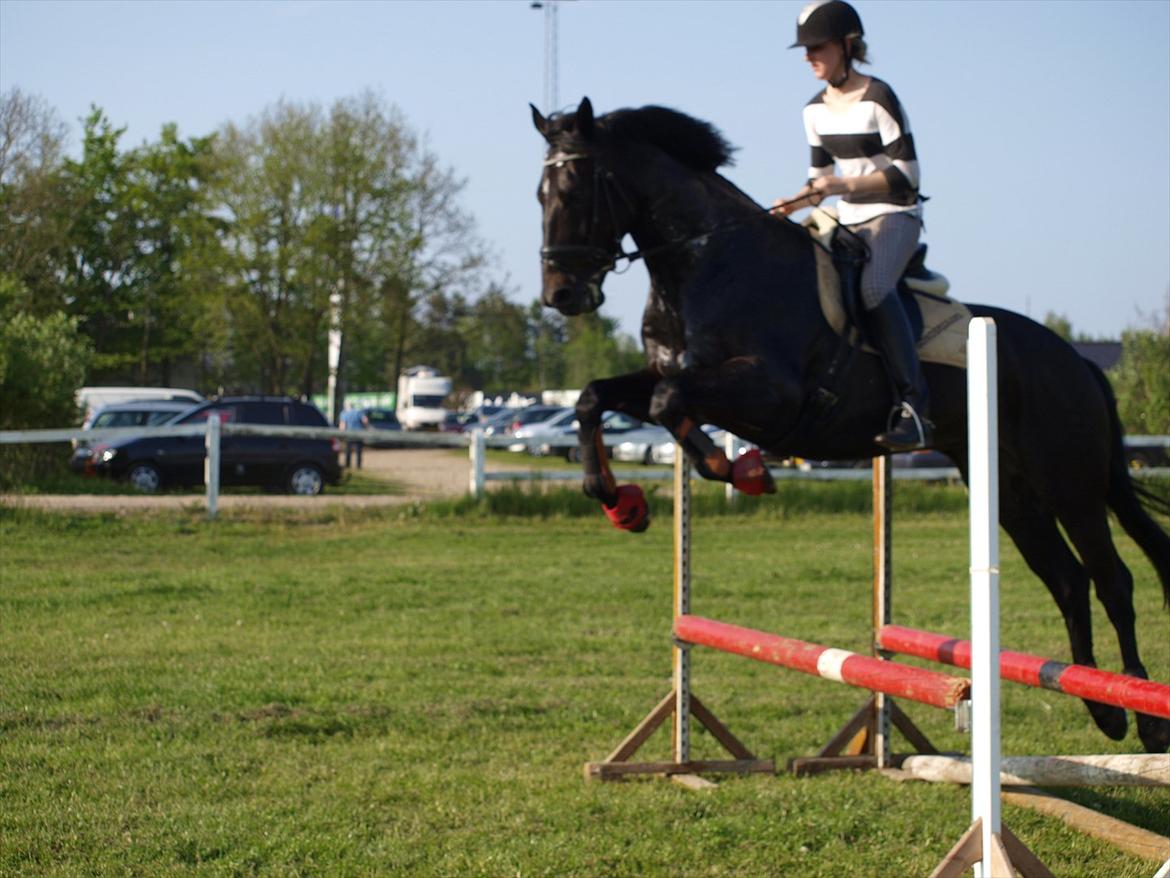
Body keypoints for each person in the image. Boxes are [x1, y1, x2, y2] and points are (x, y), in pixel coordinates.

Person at [774, 0, 932, 451]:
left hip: (895, 214)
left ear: (847, 45)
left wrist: (838, 185)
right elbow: (819, 181)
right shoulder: (812, 111)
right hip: (845, 218)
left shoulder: (879, 97)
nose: (808, 57)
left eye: (816, 47)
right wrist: (794, 201)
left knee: (872, 289)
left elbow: (908, 175)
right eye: (804, 49)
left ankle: (914, 407)